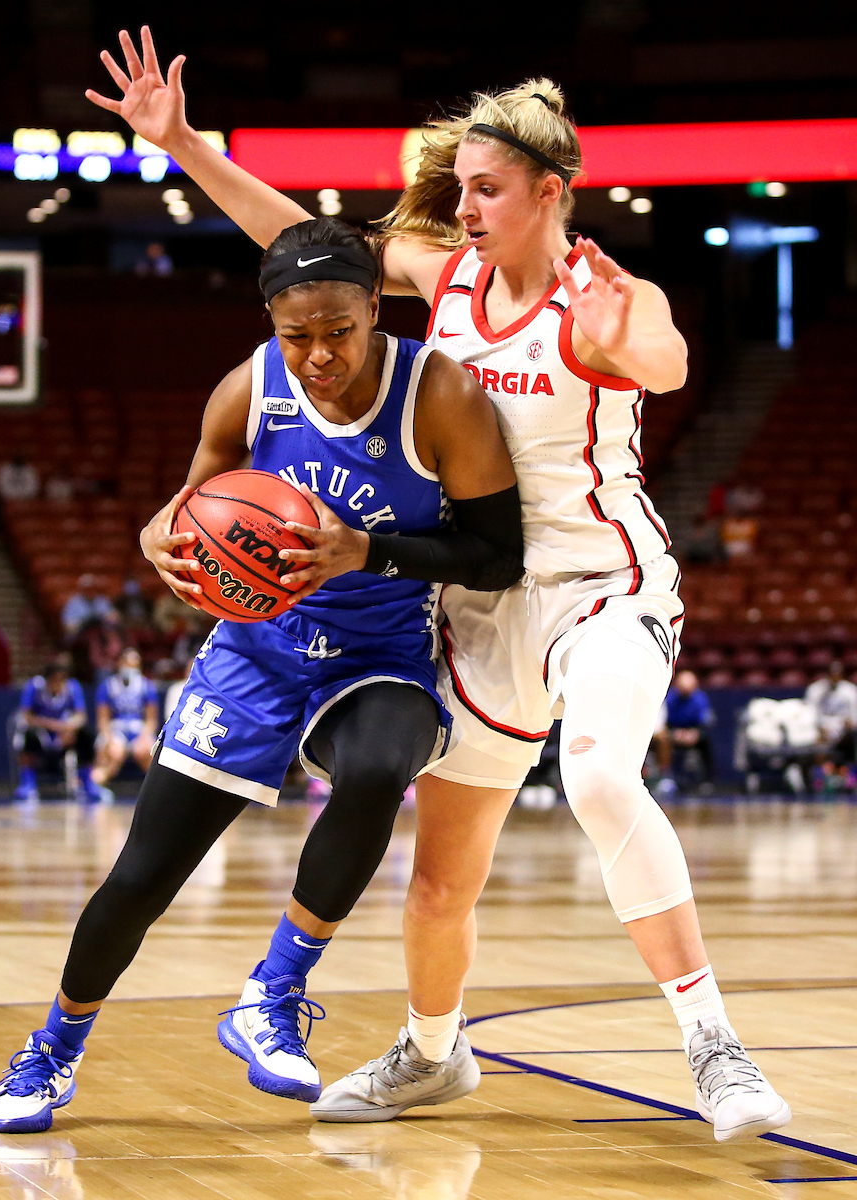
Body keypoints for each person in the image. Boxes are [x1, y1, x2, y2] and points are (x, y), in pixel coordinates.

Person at [85, 27, 793, 1143]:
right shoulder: (447, 276)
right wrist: (183, 146)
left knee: (604, 779)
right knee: (438, 879)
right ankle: (431, 1051)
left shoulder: (608, 294)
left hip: (603, 587)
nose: (463, 208)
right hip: (478, 605)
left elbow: (665, 360)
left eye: (488, 189)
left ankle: (716, 1051)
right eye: (460, 187)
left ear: (551, 193)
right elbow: (306, 246)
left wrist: (628, 335)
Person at [0, 216, 522, 1135]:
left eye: (338, 332)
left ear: (376, 307)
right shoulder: (248, 391)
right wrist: (162, 537)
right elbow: (192, 503)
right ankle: (53, 1051)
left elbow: (497, 555)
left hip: (379, 653)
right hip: (257, 652)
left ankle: (272, 990)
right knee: (146, 873)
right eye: (295, 335)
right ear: (271, 325)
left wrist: (368, 552)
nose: (317, 355)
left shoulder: (441, 396)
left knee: (381, 766)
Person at [13, 662, 101, 803]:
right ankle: (27, 784)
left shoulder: (72, 687)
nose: (59, 684)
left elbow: (81, 717)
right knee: (28, 736)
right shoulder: (34, 687)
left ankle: (87, 782)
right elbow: (27, 717)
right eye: (55, 680)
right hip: (42, 732)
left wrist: (68, 728)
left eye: (62, 680)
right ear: (48, 680)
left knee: (85, 736)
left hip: (64, 734)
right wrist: (52, 725)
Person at [90, 648, 160, 799]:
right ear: (120, 663)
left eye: (135, 664)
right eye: (128, 663)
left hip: (138, 730)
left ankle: (156, 792)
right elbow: (102, 719)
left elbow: (151, 719)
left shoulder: (146, 686)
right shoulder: (107, 686)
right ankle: (94, 787)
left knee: (148, 751)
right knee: (114, 752)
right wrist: (108, 738)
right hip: (116, 729)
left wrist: (144, 737)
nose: (130, 668)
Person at [805, 660, 857, 791]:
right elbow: (807, 715)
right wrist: (819, 729)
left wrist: (848, 724)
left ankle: (848, 777)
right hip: (820, 731)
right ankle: (820, 779)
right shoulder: (815, 690)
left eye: (838, 673)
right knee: (812, 739)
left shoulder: (851, 691)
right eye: (832, 673)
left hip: (843, 734)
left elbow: (853, 717)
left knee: (853, 738)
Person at [664, 670, 715, 791]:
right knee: (663, 741)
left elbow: (705, 721)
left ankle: (707, 781)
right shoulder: (670, 698)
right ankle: (667, 778)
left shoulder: (700, 698)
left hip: (694, 732)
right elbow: (664, 720)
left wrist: (694, 733)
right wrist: (674, 733)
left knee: (706, 743)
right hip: (674, 732)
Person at [60, 574, 116, 640]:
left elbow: (113, 617)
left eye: (92, 588)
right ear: (81, 589)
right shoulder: (73, 603)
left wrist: (109, 617)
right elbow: (68, 624)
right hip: (81, 637)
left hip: (101, 635)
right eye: (87, 589)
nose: (90, 591)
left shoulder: (102, 600)